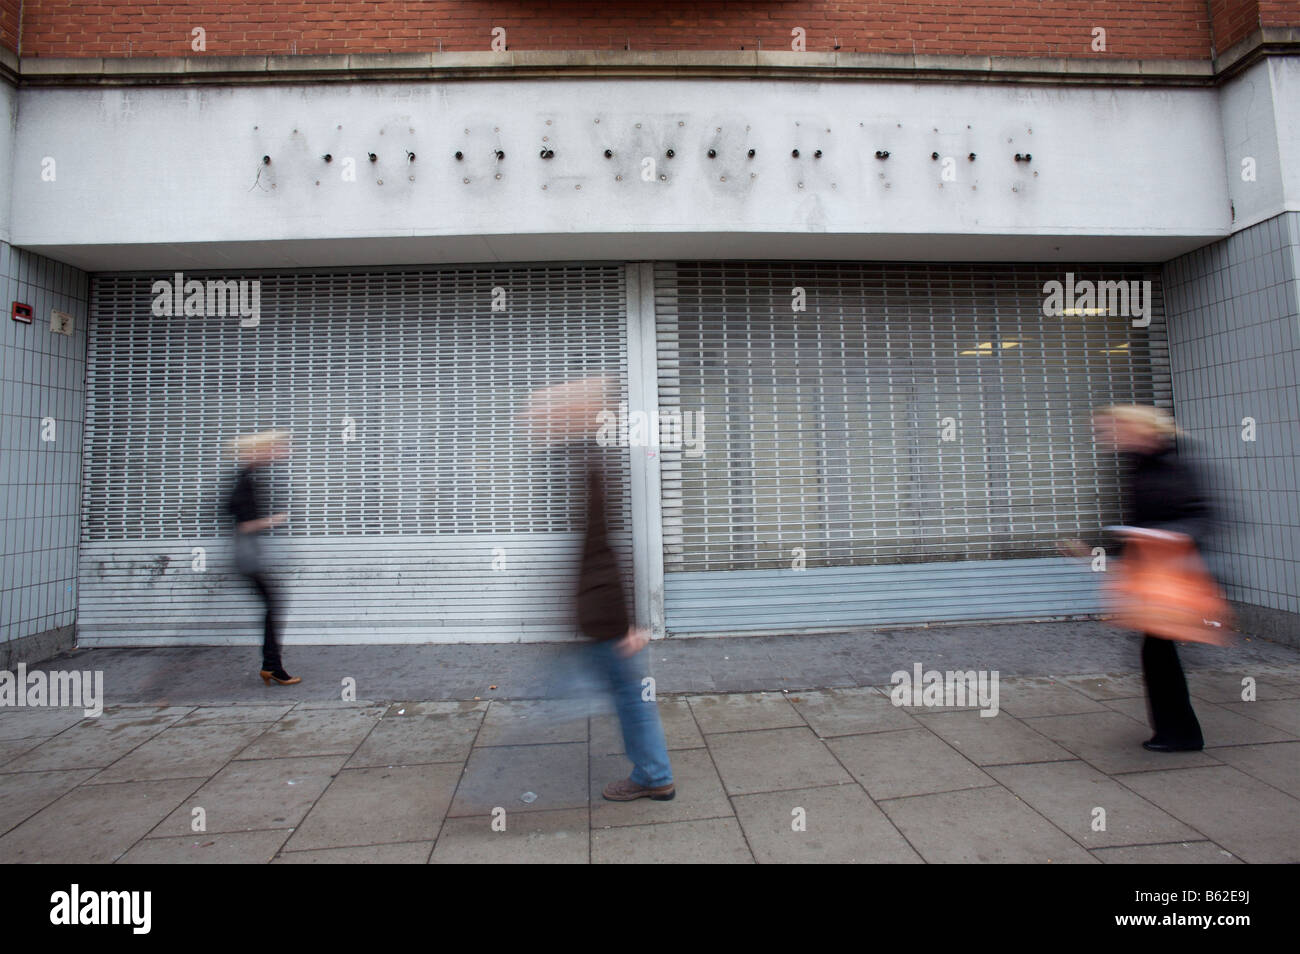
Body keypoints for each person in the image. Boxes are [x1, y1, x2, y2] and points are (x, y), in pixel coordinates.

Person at [523, 376, 675, 801]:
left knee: (627, 696)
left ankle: (654, 774)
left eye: (542, 411)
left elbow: (602, 548)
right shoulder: (582, 459)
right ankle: (653, 773)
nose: (531, 418)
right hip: (600, 616)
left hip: (603, 618)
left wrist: (624, 625)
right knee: (627, 694)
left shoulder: (589, 464)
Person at [1071, 406, 1216, 752]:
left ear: (1139, 429)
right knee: (1157, 654)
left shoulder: (1172, 465)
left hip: (1173, 577)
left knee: (1159, 655)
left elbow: (1202, 516)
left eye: (1110, 429)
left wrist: (1167, 536)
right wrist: (1098, 547)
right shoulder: (1141, 465)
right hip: (1154, 577)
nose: (1106, 436)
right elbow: (1138, 522)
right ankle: (1177, 731)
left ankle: (1181, 734)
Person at [226, 429, 300, 686]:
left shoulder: (250, 477)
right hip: (247, 558)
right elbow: (243, 525)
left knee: (272, 606)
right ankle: (271, 666)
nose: (280, 453)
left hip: (249, 556)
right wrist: (274, 520)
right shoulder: (245, 480)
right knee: (273, 606)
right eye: (275, 449)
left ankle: (271, 665)